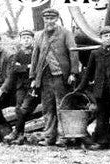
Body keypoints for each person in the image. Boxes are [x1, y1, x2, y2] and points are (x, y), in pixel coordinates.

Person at [29, 9, 81, 146]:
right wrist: (33, 77)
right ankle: (49, 137)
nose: (49, 21)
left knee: (62, 105)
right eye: (46, 19)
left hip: (60, 76)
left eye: (52, 18)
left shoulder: (65, 33)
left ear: (57, 18)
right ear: (43, 20)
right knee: (47, 107)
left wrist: (73, 73)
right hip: (44, 77)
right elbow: (35, 57)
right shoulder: (39, 36)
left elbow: (73, 53)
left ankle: (63, 137)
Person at [0, 29, 37, 145]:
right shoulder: (17, 54)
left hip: (33, 86)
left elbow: (36, 68)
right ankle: (20, 135)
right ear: (20, 41)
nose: (26, 41)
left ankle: (16, 132)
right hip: (21, 87)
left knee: (25, 108)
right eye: (23, 38)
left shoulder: (36, 53)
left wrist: (23, 67)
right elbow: (14, 70)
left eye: (28, 38)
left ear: (33, 40)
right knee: (18, 109)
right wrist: (28, 67)